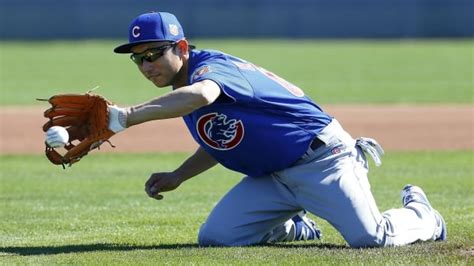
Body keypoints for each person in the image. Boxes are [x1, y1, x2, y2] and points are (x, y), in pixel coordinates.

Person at [108, 11, 446, 247]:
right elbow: (221, 139)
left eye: (154, 53)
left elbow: (201, 95)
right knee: (216, 238)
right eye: (139, 58)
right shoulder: (181, 88)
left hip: (324, 161)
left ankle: (422, 215)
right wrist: (179, 175)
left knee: (372, 238)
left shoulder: (209, 70)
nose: (147, 65)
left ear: (182, 48)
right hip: (274, 178)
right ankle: (296, 228)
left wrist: (125, 117)